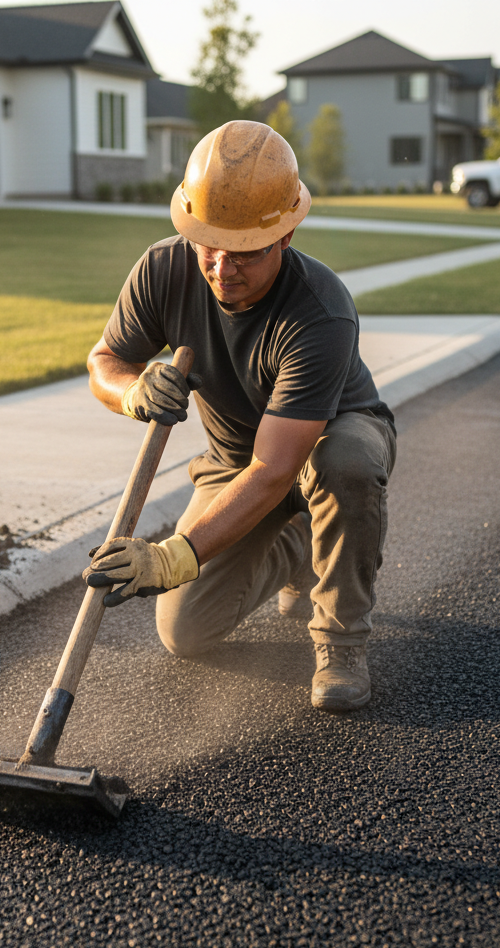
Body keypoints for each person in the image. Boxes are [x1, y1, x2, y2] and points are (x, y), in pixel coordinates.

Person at [83, 120, 396, 711]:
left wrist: (172, 555)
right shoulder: (164, 270)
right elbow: (105, 360)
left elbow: (278, 467)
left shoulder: (320, 312)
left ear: (285, 233)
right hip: (236, 463)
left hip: (324, 444)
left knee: (343, 462)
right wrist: (130, 390)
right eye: (209, 244)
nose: (222, 267)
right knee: (185, 632)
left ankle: (341, 641)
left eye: (245, 252)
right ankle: (302, 544)